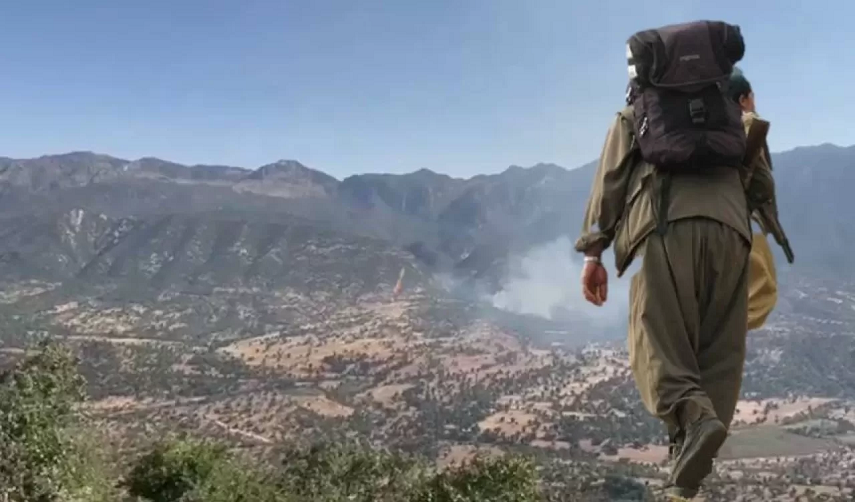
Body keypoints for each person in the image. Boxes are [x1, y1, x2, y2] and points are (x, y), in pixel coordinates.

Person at [575, 23, 753, 499]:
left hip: (668, 226)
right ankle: (688, 470)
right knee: (719, 350)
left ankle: (690, 424)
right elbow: (757, 175)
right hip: (734, 234)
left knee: (656, 340)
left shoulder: (637, 111)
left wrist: (594, 252)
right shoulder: (727, 112)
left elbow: (609, 183)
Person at [730, 68, 793, 331]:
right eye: (752, 97)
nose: (755, 103)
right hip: (733, 236)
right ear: (743, 100)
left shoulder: (721, 137)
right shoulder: (745, 126)